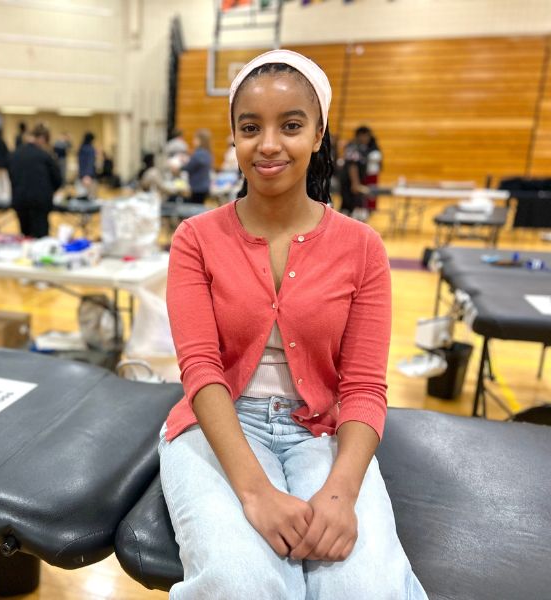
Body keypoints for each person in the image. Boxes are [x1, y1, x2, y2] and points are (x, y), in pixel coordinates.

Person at [160, 50, 427, 599]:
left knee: (363, 589)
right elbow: (201, 370)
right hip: (221, 425)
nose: (269, 145)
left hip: (323, 432)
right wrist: (254, 491)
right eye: (251, 127)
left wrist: (340, 493)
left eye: (291, 126)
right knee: (242, 581)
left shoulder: (362, 248)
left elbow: (363, 387)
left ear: (319, 132)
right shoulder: (196, 239)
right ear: (233, 137)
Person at [8, 123, 62, 238]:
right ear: (42, 138)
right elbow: (58, 180)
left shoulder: (14, 155)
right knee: (40, 238)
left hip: (20, 200)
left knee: (26, 236)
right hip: (39, 202)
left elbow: (11, 177)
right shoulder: (45, 156)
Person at [339, 125, 381, 220]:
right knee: (348, 207)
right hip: (349, 182)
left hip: (357, 181)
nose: (367, 138)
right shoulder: (353, 147)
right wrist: (355, 183)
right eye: (366, 136)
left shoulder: (363, 148)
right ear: (360, 135)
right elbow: (352, 165)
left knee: (355, 207)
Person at [181, 128, 213, 204]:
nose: (193, 141)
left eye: (195, 139)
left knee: (194, 208)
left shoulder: (198, 154)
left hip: (197, 187)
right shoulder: (208, 153)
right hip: (205, 186)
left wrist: (180, 167)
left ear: (200, 140)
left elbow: (189, 167)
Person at [77, 132, 97, 197]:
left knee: (83, 196)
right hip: (88, 176)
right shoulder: (90, 149)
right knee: (91, 196)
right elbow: (90, 162)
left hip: (82, 175)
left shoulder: (81, 148)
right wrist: (87, 175)